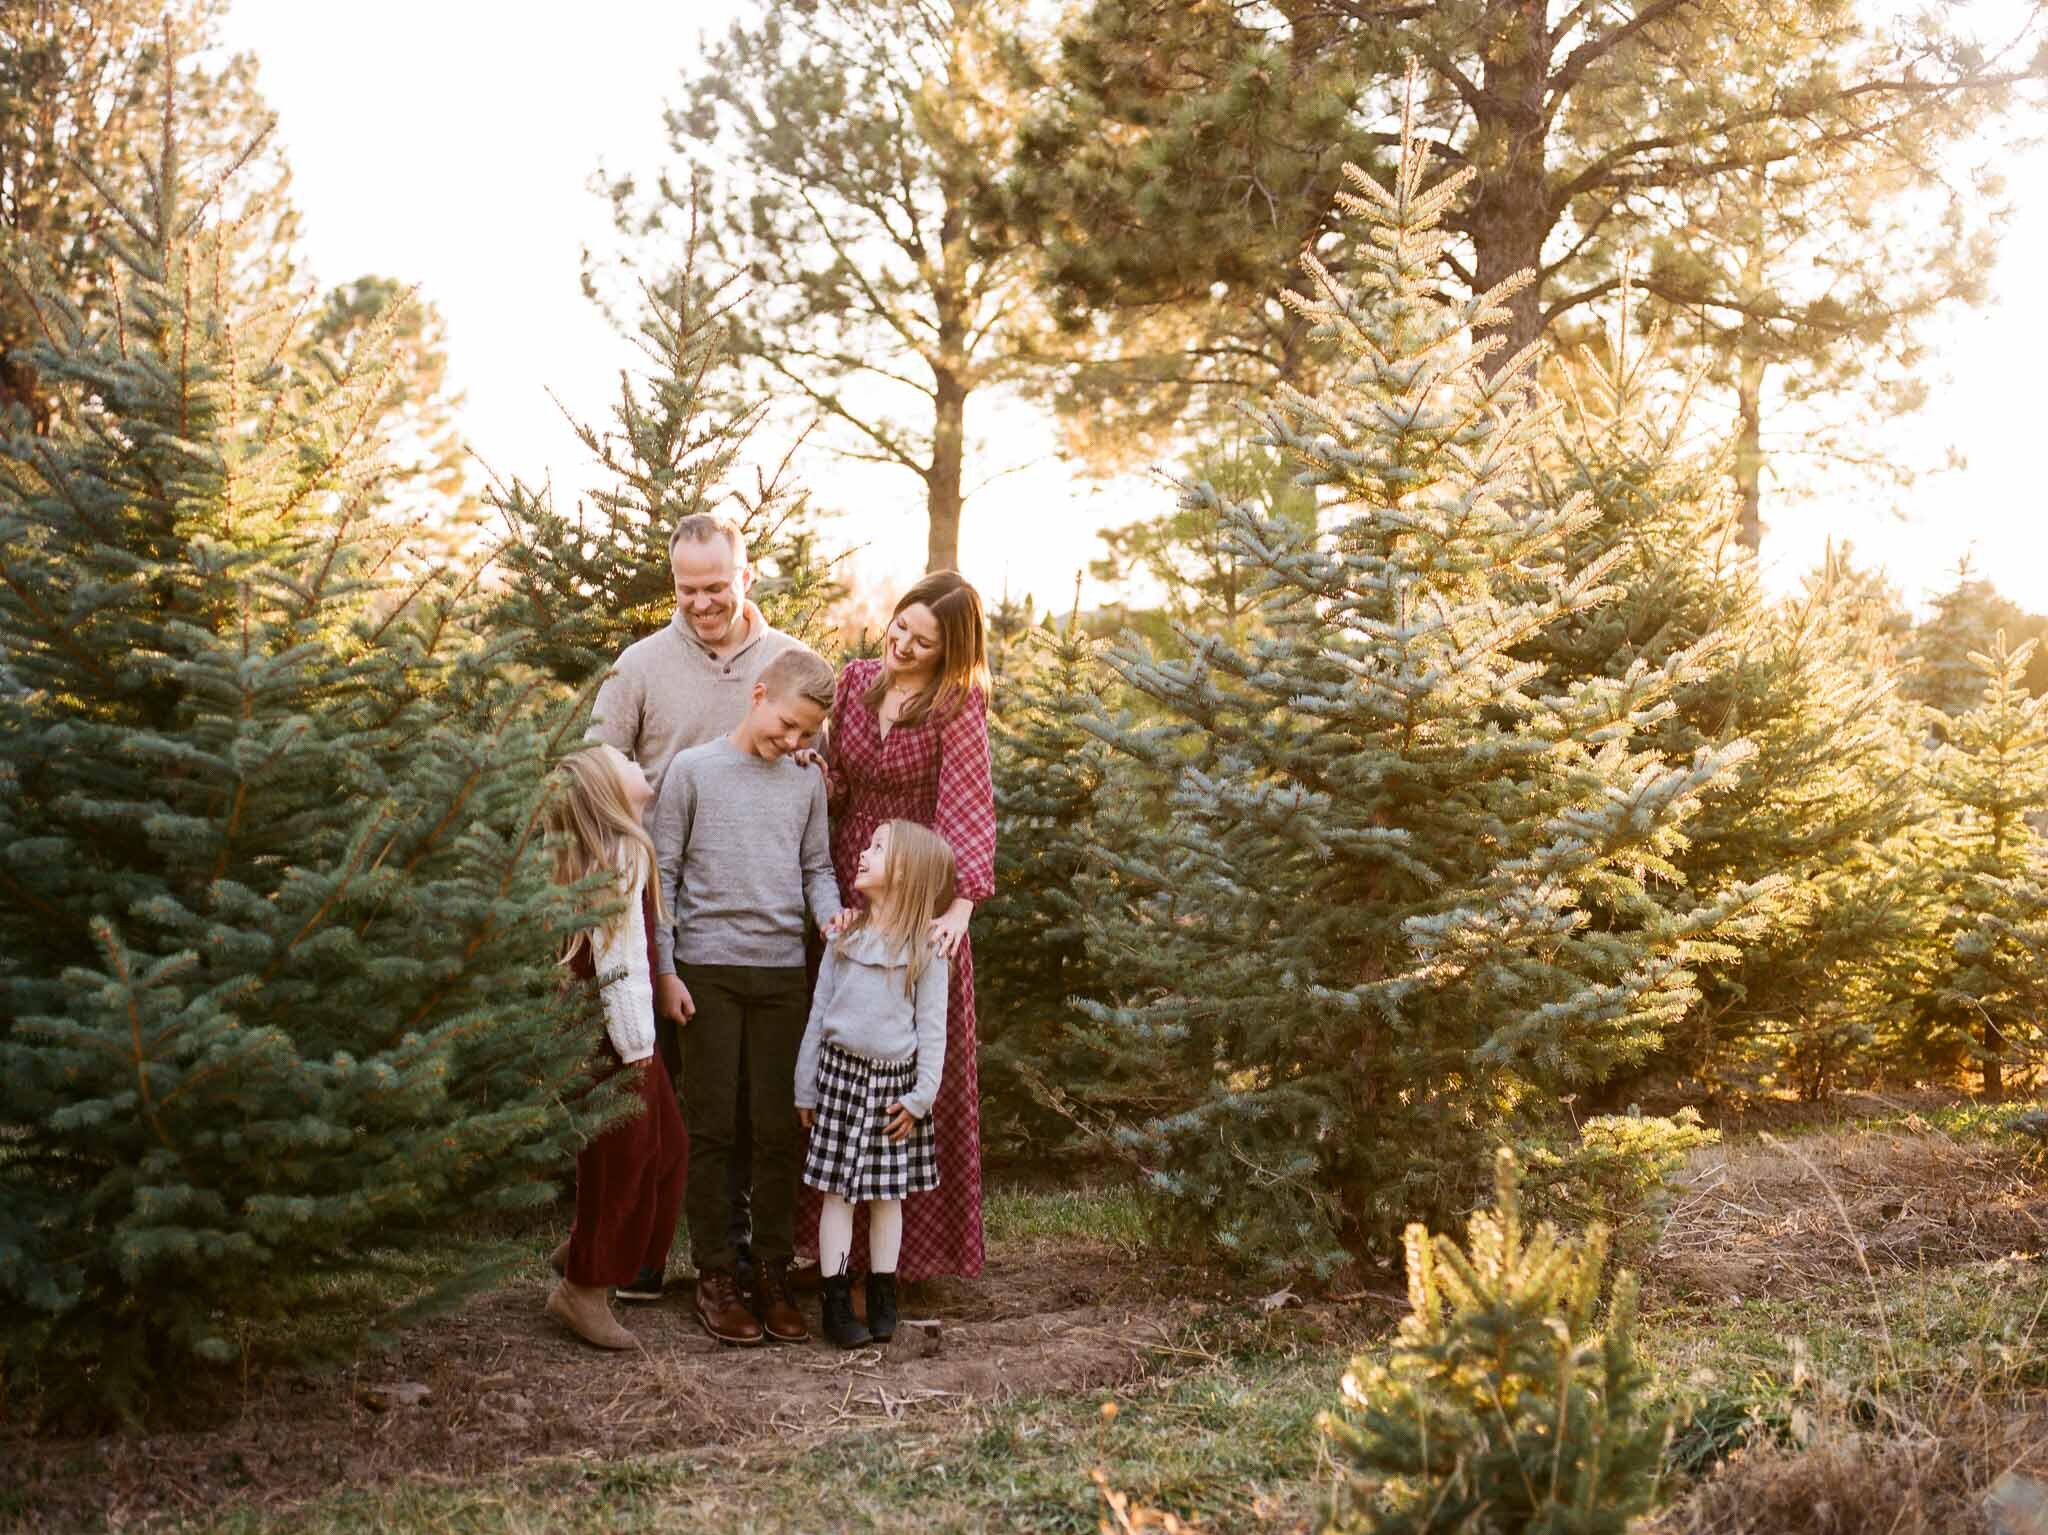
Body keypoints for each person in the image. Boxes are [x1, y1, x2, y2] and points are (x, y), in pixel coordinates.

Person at [589, 512, 803, 1302]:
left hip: (758, 907)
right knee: (652, 1083)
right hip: (659, 896)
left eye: (716, 587)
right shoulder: (640, 664)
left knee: (745, 1096)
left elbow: (821, 758)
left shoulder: (789, 661)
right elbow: (596, 761)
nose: (703, 603)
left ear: (746, 575)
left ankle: (735, 1247)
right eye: (687, 589)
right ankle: (642, 1248)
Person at [804, 571, 995, 1290]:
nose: (903, 644)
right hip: (858, 871)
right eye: (900, 627)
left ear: (951, 649)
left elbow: (969, 806)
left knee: (908, 1052)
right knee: (840, 1038)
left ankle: (902, 1262)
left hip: (918, 890)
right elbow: (840, 781)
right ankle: (825, 1248)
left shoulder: (957, 706)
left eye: (922, 640)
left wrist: (959, 907)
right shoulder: (856, 682)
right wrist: (811, 773)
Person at [653, 646, 843, 1345]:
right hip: (705, 971)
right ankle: (716, 1274)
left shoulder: (805, 782)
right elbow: (663, 876)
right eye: (787, 725)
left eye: (806, 735)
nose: (792, 743)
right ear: (759, 693)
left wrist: (829, 914)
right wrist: (667, 971)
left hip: (780, 974)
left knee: (775, 1126)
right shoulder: (693, 772)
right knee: (712, 1128)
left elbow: (817, 866)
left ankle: (770, 1270)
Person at [541, 744, 687, 1350]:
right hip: (619, 1040)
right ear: (608, 791)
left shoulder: (602, 851)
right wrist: (637, 1053)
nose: (637, 761)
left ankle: (586, 1246)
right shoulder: (622, 855)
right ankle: (584, 1288)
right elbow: (620, 965)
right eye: (624, 759)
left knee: (659, 1151)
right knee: (627, 1164)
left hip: (600, 1037)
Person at [796, 820, 956, 1348]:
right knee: (837, 1196)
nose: (862, 853)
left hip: (895, 1092)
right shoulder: (844, 935)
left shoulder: (928, 950)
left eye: (877, 848)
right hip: (839, 1081)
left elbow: (932, 1032)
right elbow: (819, 1016)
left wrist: (921, 1098)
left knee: (888, 1198)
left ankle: (883, 1293)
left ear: (906, 870)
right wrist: (805, 1087)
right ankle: (836, 1302)